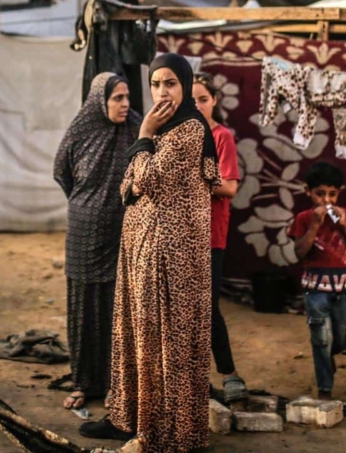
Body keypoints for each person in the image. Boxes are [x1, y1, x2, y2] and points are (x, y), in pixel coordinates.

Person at [81, 54, 220, 453]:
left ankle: (165, 429)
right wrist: (144, 151)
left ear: (186, 86)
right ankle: (130, 417)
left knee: (164, 338)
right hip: (144, 249)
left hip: (170, 257)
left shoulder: (188, 129)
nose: (162, 91)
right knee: (138, 333)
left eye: (171, 83)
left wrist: (142, 133)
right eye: (157, 84)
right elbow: (128, 187)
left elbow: (147, 178)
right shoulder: (163, 130)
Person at [53, 72, 141, 411]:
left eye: (127, 97)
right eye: (117, 98)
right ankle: (83, 381)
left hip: (123, 230)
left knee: (118, 308)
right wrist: (87, 200)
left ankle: (115, 382)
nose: (125, 104)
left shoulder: (136, 126)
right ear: (99, 100)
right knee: (83, 307)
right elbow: (61, 170)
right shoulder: (82, 128)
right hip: (84, 230)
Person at [192, 72, 248, 403]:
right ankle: (192, 380)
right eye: (193, 99)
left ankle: (229, 373)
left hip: (210, 235)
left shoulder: (221, 136)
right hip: (181, 234)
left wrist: (192, 181)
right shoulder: (178, 136)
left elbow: (229, 187)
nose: (198, 105)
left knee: (208, 307)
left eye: (203, 99)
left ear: (214, 101)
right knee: (182, 309)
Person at [286, 162, 346, 399]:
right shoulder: (303, 218)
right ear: (308, 192)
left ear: (339, 193)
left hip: (341, 290)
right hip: (315, 291)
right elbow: (299, 252)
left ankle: (330, 354)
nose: (326, 200)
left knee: (342, 339)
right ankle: (325, 389)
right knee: (320, 338)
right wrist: (314, 225)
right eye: (320, 194)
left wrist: (345, 227)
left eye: (332, 194)